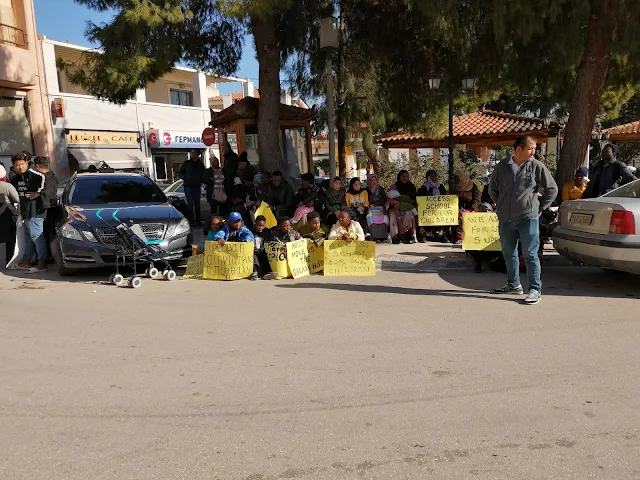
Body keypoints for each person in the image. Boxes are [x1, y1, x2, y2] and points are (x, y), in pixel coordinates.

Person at [488, 135, 558, 305]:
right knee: (508, 252)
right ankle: (513, 284)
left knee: (530, 254)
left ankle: (535, 289)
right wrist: (502, 205)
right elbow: (493, 189)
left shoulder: (536, 166)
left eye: (534, 148)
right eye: (530, 148)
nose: (533, 152)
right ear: (518, 149)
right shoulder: (502, 167)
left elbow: (552, 189)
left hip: (528, 218)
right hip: (506, 219)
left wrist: (539, 208)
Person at [10, 152, 50, 273]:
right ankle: (25, 261)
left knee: (37, 236)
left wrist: (38, 193)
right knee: (28, 237)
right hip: (25, 211)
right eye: (17, 165)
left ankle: (42, 263)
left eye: (22, 164)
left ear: (27, 163)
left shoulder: (37, 175)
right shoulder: (16, 178)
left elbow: (47, 185)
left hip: (36, 211)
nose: (20, 167)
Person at [210, 212, 257, 279]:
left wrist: (246, 241)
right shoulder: (226, 229)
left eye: (239, 221)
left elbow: (249, 235)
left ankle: (255, 270)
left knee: (253, 253)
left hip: (240, 252)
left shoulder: (243, 229)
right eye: (235, 222)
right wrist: (219, 238)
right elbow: (220, 233)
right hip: (229, 254)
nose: (237, 224)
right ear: (230, 222)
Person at [33, 156, 58, 258]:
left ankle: (46, 257)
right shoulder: (52, 176)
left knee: (44, 235)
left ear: (37, 166)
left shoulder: (46, 178)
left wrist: (38, 194)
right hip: (50, 208)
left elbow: (49, 193)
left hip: (47, 209)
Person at [417, 170, 448, 243]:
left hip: (440, 209)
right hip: (427, 210)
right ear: (428, 178)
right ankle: (424, 235)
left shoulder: (441, 187)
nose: (434, 178)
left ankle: (441, 235)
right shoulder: (424, 187)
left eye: (435, 176)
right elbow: (420, 199)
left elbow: (445, 198)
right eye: (432, 176)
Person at [387, 170, 417, 244]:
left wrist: (409, 203)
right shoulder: (394, 186)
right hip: (395, 207)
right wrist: (395, 203)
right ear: (399, 177)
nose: (405, 178)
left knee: (409, 213)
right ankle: (395, 236)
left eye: (407, 177)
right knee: (393, 214)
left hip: (407, 208)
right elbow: (389, 196)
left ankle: (408, 234)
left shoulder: (411, 187)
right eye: (403, 176)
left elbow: (415, 199)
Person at [179, 149, 205, 225]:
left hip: (197, 186)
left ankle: (198, 220)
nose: (192, 154)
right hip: (188, 186)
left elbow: (203, 174)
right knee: (190, 204)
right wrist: (185, 178)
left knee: (197, 204)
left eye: (194, 152)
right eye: (191, 152)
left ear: (197, 154)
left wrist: (201, 180)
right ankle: (191, 221)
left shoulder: (200, 164)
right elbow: (180, 172)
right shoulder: (187, 163)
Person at [0, 165, 19, 267]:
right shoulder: (7, 186)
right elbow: (17, 199)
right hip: (6, 215)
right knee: (10, 239)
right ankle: (9, 260)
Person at [366, 174, 389, 242]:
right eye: (371, 180)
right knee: (371, 218)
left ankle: (382, 236)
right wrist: (372, 192)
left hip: (380, 208)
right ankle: (374, 236)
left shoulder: (380, 189)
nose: (373, 182)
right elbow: (368, 200)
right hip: (370, 208)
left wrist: (375, 204)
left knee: (384, 219)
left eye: (375, 180)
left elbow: (384, 199)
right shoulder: (366, 190)